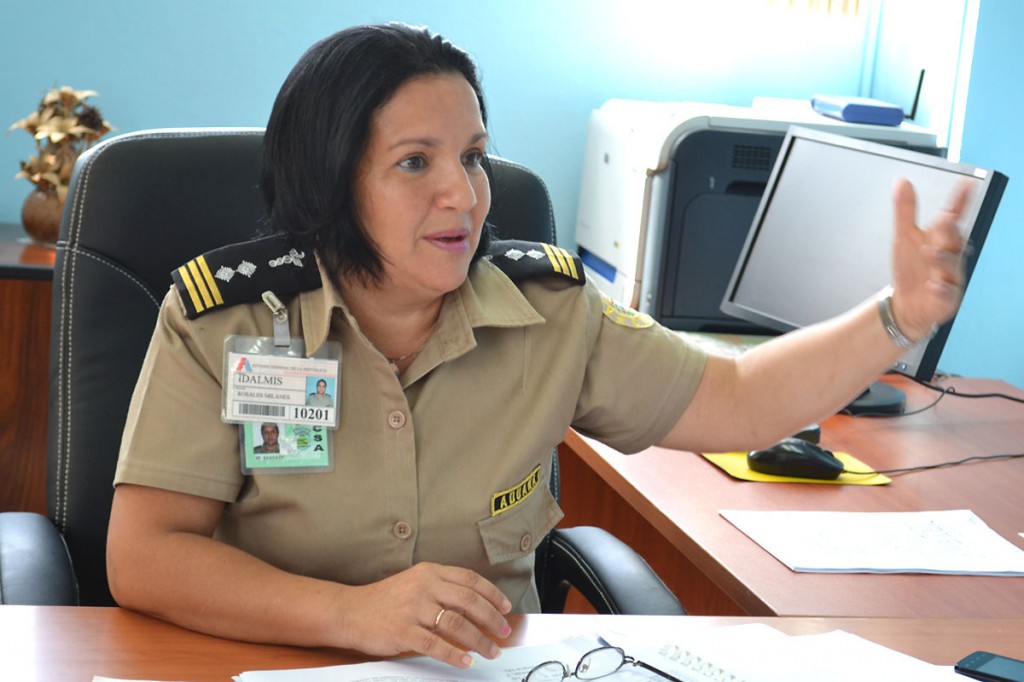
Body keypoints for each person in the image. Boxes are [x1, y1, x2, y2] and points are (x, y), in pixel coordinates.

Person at [107, 22, 971, 671]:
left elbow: (741, 399)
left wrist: (895, 316)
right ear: (333, 180)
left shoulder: (550, 312)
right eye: (416, 163)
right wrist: (352, 614)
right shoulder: (228, 320)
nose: (465, 193)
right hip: (269, 661)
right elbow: (145, 555)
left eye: (475, 156)